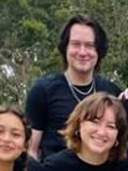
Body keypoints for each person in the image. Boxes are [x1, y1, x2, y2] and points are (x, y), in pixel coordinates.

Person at [26, 15, 120, 160]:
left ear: (99, 51)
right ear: (65, 48)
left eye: (89, 46)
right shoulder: (43, 90)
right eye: (76, 44)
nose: (82, 52)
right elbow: (31, 151)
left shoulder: (112, 91)